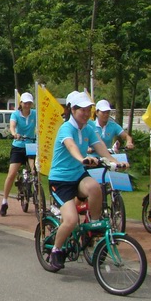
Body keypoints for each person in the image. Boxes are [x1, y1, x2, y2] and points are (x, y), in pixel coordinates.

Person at [46, 92, 127, 271]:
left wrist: (116, 162)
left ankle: (93, 227)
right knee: (71, 220)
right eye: (82, 109)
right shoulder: (66, 128)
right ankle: (56, 251)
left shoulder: (88, 128)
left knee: (95, 187)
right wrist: (82, 159)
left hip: (78, 175)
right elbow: (71, 146)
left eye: (88, 109)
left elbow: (101, 148)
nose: (86, 113)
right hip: (60, 181)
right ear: (72, 110)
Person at [1, 92, 37, 216]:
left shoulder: (35, 114)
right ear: (21, 103)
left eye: (29, 103)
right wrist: (14, 133)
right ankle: (4, 201)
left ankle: (38, 196)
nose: (27, 105)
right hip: (18, 146)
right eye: (25, 103)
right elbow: (12, 126)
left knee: (35, 171)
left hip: (31, 145)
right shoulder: (15, 114)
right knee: (11, 174)